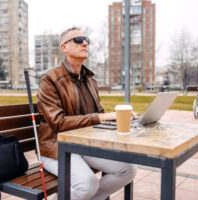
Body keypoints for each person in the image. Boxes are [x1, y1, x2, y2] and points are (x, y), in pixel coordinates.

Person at [37, 27, 137, 200]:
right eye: (77, 40)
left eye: (86, 40)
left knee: (128, 169)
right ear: (64, 48)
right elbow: (58, 123)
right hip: (55, 147)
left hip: (83, 145)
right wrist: (102, 117)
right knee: (87, 184)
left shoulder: (90, 80)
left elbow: (99, 115)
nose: (84, 43)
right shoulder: (50, 78)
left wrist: (119, 117)